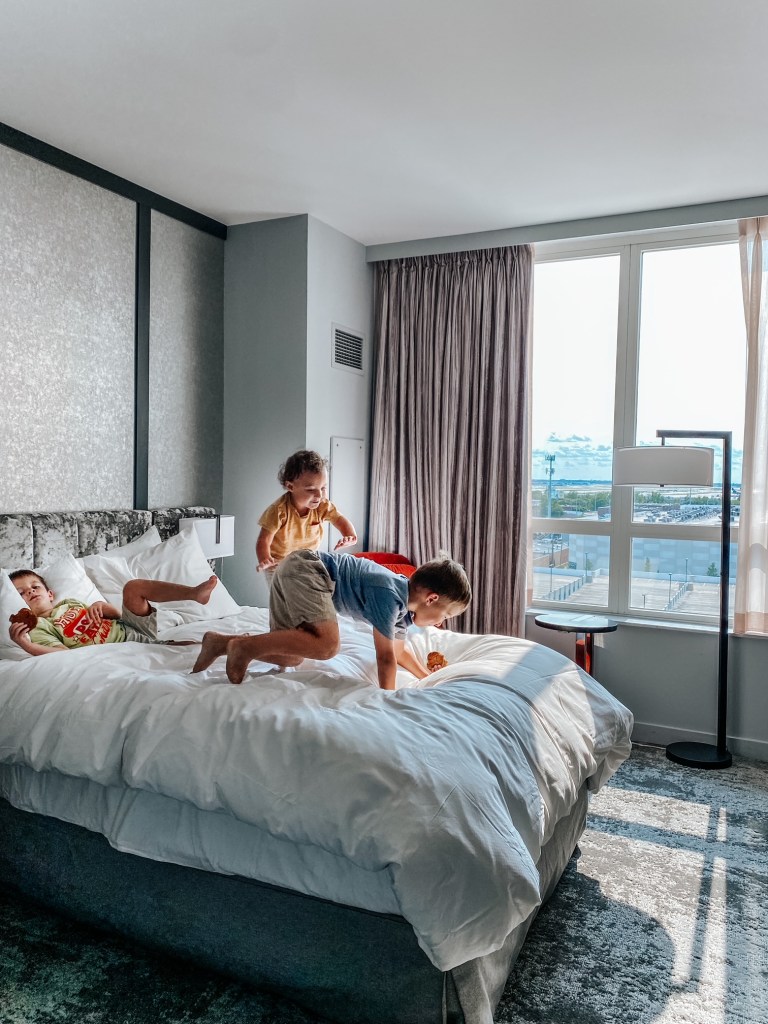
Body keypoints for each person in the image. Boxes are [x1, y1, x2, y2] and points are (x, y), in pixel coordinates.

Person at [192, 549, 471, 688]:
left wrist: (428, 678)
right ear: (431, 598)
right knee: (327, 645)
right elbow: (385, 658)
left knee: (291, 658)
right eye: (445, 615)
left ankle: (221, 643)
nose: (440, 623)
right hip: (308, 569)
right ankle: (243, 648)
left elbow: (398, 652)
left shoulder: (402, 610)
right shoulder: (389, 594)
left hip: (299, 572)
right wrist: (387, 701)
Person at [8, 569, 218, 656]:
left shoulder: (69, 603)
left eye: (35, 586)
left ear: (50, 594)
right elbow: (62, 653)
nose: (30, 591)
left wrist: (100, 605)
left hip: (129, 627)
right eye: (22, 593)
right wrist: (27, 645)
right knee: (181, 648)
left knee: (133, 587)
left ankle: (194, 593)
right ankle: (218, 645)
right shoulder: (39, 626)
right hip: (121, 646)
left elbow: (116, 615)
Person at [255, 450, 357, 574]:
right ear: (290, 486)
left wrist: (349, 535)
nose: (319, 495)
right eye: (311, 490)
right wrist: (265, 559)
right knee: (286, 586)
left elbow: (339, 520)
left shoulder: (322, 506)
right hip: (278, 563)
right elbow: (264, 540)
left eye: (323, 488)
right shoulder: (279, 511)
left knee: (316, 583)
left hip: (306, 560)